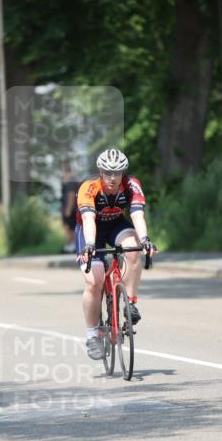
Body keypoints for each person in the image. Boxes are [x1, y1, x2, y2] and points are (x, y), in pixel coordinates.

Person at [76, 148, 157, 360]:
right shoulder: (89, 187)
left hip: (116, 226)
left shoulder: (131, 185)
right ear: (100, 172)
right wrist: (91, 245)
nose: (112, 178)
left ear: (123, 173)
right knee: (94, 280)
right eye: (108, 173)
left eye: (117, 173)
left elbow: (137, 215)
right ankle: (92, 334)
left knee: (133, 251)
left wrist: (145, 240)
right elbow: (88, 220)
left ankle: (130, 304)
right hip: (90, 230)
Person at [60, 160, 79, 253]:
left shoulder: (71, 180)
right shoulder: (69, 179)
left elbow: (71, 195)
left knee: (69, 228)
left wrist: (68, 210)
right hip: (69, 208)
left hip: (70, 209)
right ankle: (70, 246)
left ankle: (72, 246)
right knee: (70, 227)